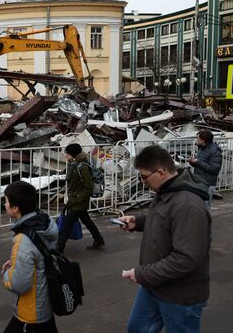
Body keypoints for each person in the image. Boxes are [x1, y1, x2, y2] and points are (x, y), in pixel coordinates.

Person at [118, 145, 211, 333]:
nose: (142, 182)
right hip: (156, 285)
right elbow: (165, 220)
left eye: (143, 177)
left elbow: (187, 258)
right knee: (137, 328)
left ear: (161, 172)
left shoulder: (187, 205)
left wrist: (142, 274)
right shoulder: (166, 190)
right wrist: (139, 222)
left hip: (179, 294)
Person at [1, 181, 59, 333]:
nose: (4, 204)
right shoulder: (44, 222)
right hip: (46, 303)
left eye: (6, 201)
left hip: (32, 312)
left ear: (16, 208)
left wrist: (6, 274)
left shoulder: (23, 239)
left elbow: (19, 284)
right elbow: (40, 257)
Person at [56, 143, 104, 253]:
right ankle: (98, 239)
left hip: (78, 201)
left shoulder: (82, 167)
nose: (66, 156)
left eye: (67, 153)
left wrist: (78, 199)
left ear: (73, 154)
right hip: (75, 199)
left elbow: (88, 186)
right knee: (86, 220)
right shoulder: (74, 165)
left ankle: (59, 247)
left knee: (67, 224)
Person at [189, 129, 223, 210]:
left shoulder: (215, 151)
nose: (196, 140)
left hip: (207, 183)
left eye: (198, 138)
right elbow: (199, 164)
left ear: (203, 140)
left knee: (205, 208)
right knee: (197, 207)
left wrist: (198, 162)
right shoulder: (201, 148)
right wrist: (192, 162)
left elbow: (214, 169)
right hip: (198, 181)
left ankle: (206, 222)